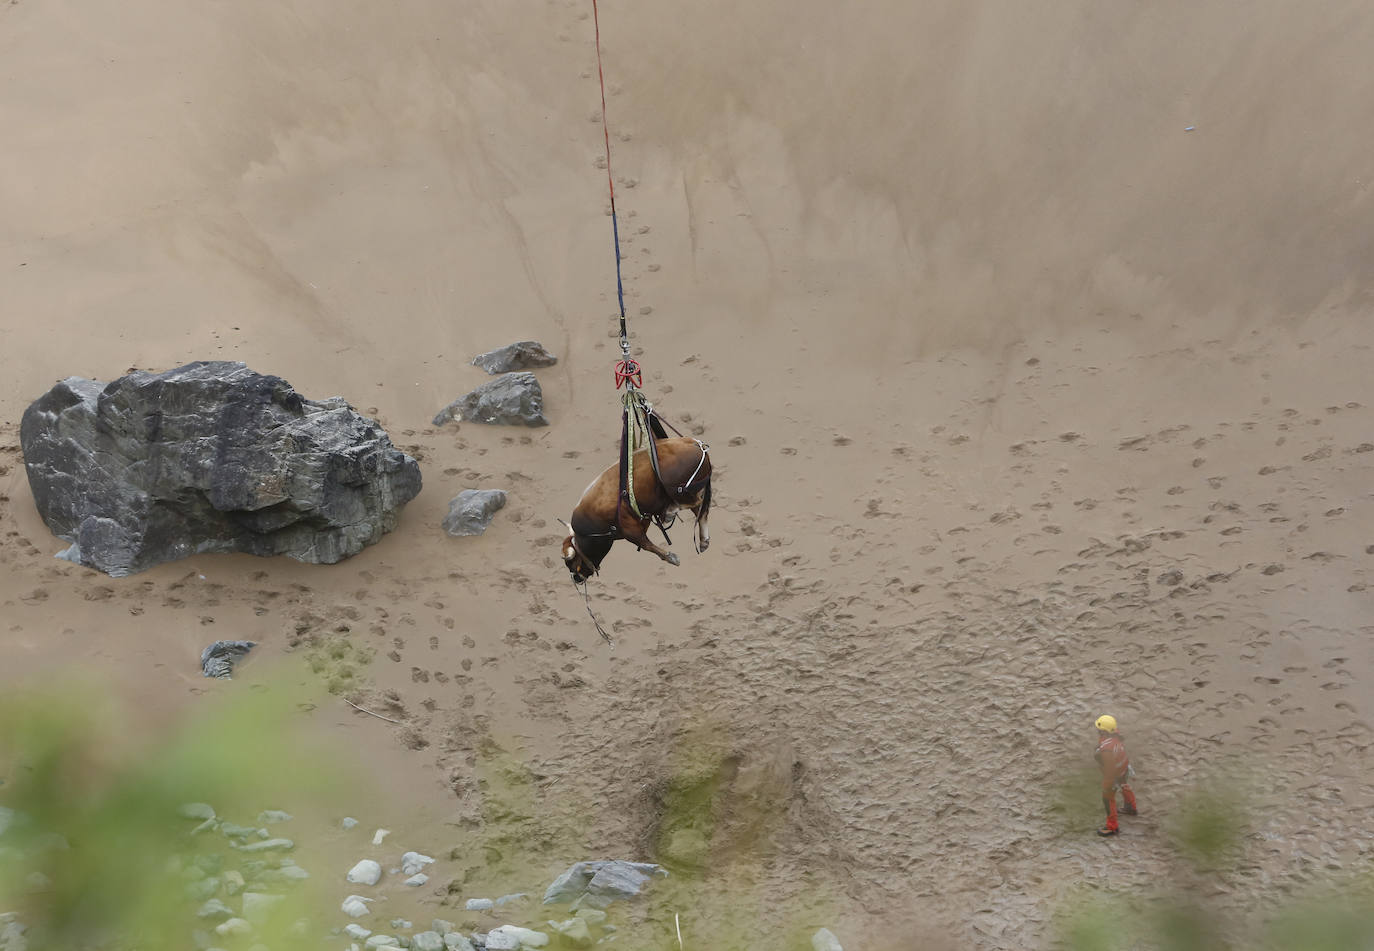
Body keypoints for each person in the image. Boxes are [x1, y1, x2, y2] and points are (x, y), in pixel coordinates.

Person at [1094, 714, 1138, 836]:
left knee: (1107, 799)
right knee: (1124, 785)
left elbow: (1110, 770)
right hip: (1124, 768)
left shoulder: (1107, 749)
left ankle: (1112, 827)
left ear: (1103, 732)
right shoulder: (1115, 735)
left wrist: (1107, 784)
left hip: (1115, 772)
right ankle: (1131, 807)